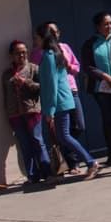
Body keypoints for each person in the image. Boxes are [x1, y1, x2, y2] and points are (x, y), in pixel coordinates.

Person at [40, 31, 100, 181]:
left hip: (59, 102)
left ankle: (91, 162)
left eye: (37, 38)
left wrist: (50, 110)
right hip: (63, 100)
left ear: (43, 39)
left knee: (65, 136)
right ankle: (87, 162)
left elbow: (52, 85)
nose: (35, 41)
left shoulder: (48, 56)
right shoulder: (55, 53)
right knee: (63, 136)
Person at [30, 21, 84, 174]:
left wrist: (69, 67)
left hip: (70, 90)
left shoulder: (63, 48)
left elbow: (76, 67)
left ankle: (81, 156)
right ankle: (73, 161)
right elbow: (42, 78)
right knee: (62, 133)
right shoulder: (40, 53)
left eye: (55, 32)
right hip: (54, 96)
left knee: (78, 126)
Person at [81, 11, 111, 167]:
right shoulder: (90, 43)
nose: (109, 26)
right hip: (102, 87)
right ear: (98, 26)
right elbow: (87, 66)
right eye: (106, 24)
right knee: (108, 120)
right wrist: (105, 76)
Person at [2, 39, 50, 184]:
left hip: (32, 111)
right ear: (12, 55)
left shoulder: (33, 68)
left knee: (37, 141)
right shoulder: (6, 74)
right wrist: (9, 112)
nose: (22, 55)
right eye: (18, 53)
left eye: (24, 52)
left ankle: (47, 172)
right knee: (24, 145)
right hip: (15, 114)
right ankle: (32, 175)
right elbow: (5, 95)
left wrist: (25, 82)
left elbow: (42, 88)